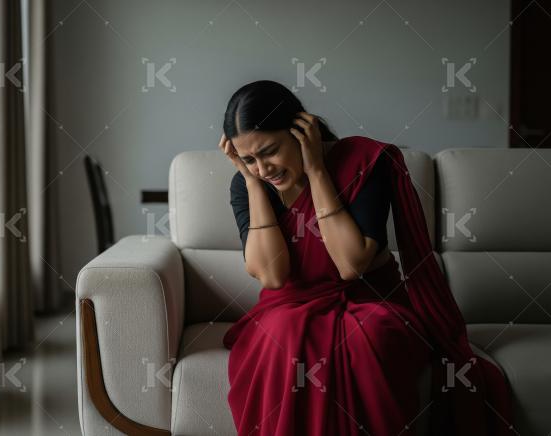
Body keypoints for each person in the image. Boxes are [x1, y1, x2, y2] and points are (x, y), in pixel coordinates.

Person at [218, 80, 512, 435]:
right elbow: (272, 276)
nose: (263, 168)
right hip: (287, 306)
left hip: (371, 300)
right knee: (280, 335)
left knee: (365, 337)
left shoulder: (363, 163)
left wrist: (316, 172)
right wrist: (250, 184)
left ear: (300, 131)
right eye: (249, 159)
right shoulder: (249, 183)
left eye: (269, 151)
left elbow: (350, 264)